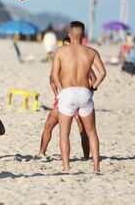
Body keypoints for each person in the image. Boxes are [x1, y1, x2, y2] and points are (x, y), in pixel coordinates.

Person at [51, 21, 106, 172]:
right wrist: (93, 87)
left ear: (70, 34)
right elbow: (102, 73)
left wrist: (61, 91)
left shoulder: (60, 52)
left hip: (67, 92)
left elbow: (54, 75)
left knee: (64, 133)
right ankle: (96, 167)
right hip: (84, 92)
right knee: (92, 132)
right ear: (84, 35)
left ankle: (67, 167)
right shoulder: (91, 51)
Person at [39, 36, 96, 158]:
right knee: (49, 124)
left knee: (83, 131)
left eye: (68, 46)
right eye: (64, 45)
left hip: (79, 98)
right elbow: (51, 79)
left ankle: (86, 156)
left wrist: (90, 92)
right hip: (63, 99)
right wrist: (56, 94)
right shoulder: (60, 60)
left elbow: (94, 79)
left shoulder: (82, 62)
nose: (65, 48)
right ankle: (41, 153)